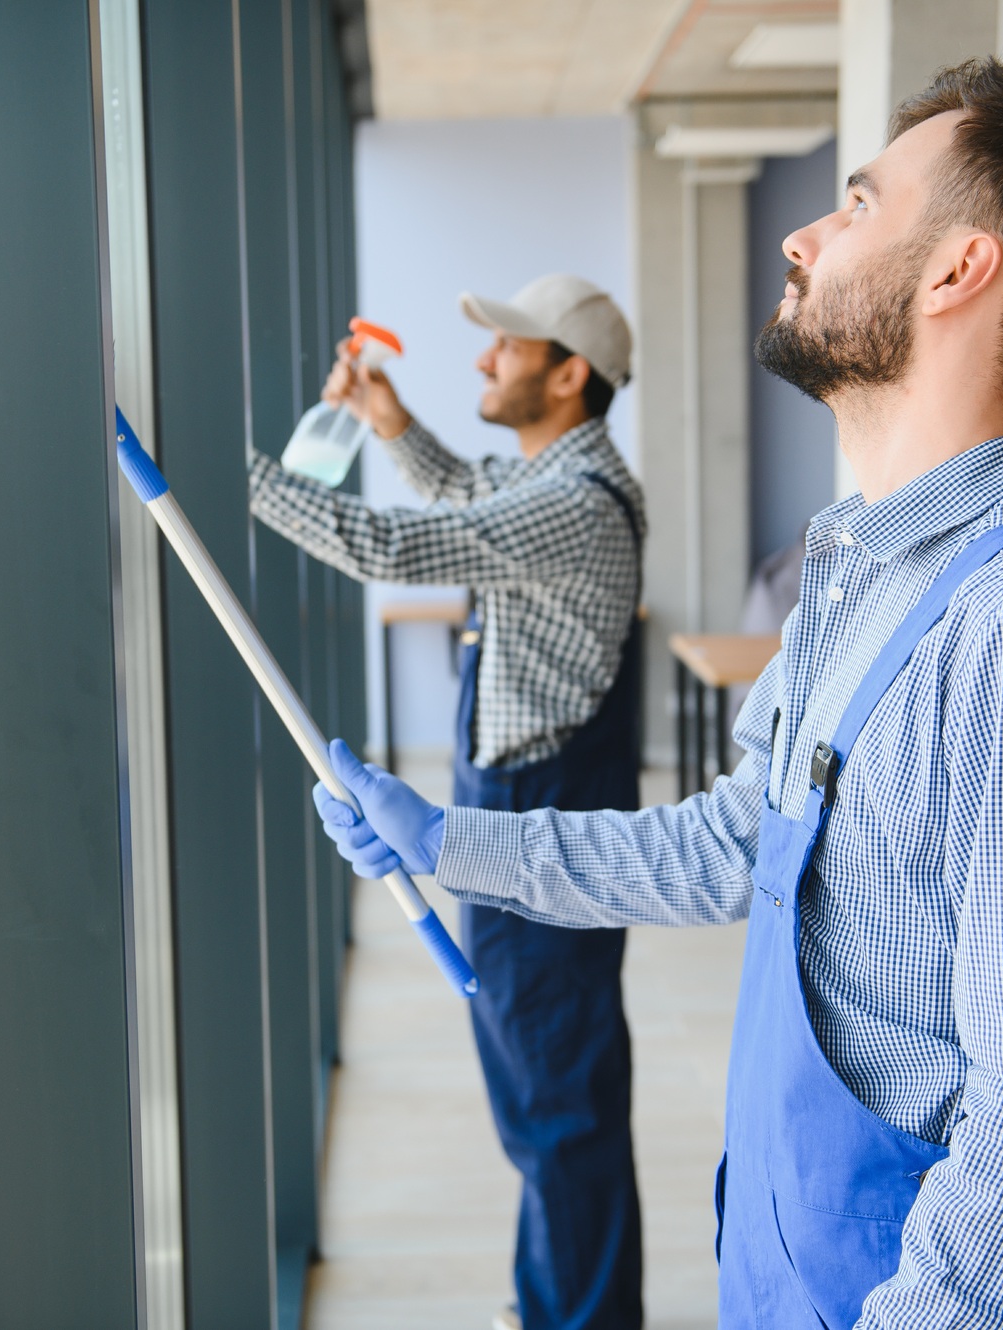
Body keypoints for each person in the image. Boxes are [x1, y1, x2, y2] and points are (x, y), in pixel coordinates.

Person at [313, 60, 1003, 1330]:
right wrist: (453, 843)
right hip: (793, 1269)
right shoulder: (855, 578)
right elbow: (738, 839)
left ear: (958, 269)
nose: (802, 231)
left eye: (853, 201)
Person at [247, 274, 648, 1330]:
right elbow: (466, 496)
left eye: (506, 349)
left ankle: (582, 1319)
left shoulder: (570, 502)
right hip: (519, 804)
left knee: (556, 1102)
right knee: (540, 1096)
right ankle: (553, 1303)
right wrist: (387, 423)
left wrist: (224, 476)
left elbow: (397, 547)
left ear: (567, 376)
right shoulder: (559, 478)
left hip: (539, 816)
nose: (481, 360)